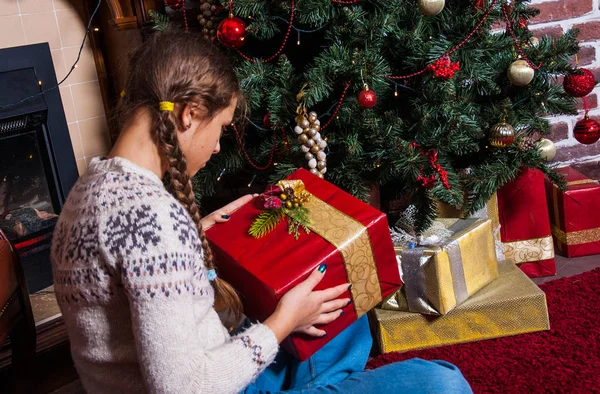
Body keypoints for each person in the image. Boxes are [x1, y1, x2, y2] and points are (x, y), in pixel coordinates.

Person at [50, 30, 472, 394]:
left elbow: (131, 266)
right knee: (441, 383)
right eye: (219, 128)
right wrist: (283, 322)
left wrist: (196, 234)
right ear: (189, 114)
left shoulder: (88, 191)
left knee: (342, 315)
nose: (217, 148)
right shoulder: (155, 221)